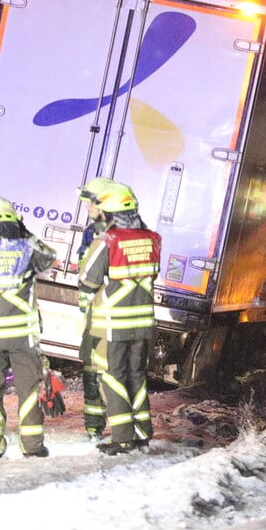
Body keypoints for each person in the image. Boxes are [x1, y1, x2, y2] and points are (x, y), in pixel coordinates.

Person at [78, 182, 161, 455]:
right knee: (137, 376)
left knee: (112, 378)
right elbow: (152, 273)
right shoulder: (152, 238)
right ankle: (141, 433)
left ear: (109, 213)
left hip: (114, 324)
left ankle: (122, 437)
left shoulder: (107, 241)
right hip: (143, 323)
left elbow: (88, 282)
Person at [0, 196, 56, 459]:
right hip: (23, 335)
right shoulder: (26, 246)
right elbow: (50, 258)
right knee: (30, 389)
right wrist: (24, 231)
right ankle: (32, 446)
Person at [76, 177, 113, 441]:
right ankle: (93, 427)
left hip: (114, 317)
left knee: (112, 373)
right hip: (95, 315)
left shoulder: (120, 235)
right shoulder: (91, 231)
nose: (87, 206)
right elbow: (83, 263)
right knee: (90, 370)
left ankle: (124, 428)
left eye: (91, 202)